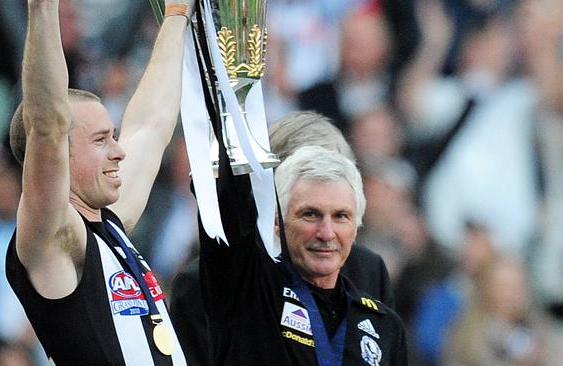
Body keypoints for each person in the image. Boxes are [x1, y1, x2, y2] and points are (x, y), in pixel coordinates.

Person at [5, 0, 194, 364]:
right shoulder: (56, 237)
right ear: (60, 155)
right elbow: (45, 125)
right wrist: (43, 10)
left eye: (114, 136)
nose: (119, 152)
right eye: (100, 140)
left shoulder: (110, 222)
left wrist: (175, 15)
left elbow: (152, 125)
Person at [170, 112, 396, 365]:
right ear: (273, 187)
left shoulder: (367, 269)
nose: (326, 231)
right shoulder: (207, 281)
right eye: (309, 174)